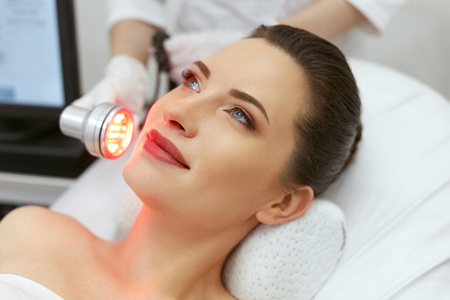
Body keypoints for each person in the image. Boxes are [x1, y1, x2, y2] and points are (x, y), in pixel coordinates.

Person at [0, 25, 361, 299]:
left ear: (283, 202)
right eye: (192, 82)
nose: (176, 111)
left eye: (238, 114)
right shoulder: (30, 230)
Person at [75, 0, 405, 119]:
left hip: (301, 74)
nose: (177, 123)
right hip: (191, 63)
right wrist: (127, 67)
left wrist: (252, 45)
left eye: (241, 118)